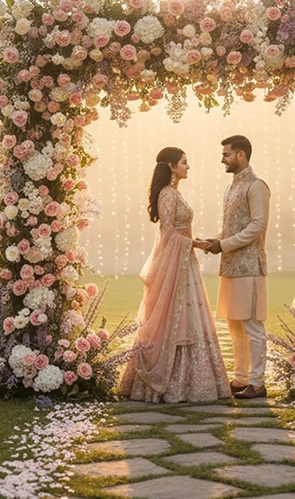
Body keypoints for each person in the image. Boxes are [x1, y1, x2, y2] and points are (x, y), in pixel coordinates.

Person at [119, 147, 232, 403]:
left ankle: (191, 383)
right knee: (176, 318)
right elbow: (168, 232)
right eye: (184, 162)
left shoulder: (175, 193)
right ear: (171, 166)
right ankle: (172, 385)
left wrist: (195, 243)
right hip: (177, 262)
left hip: (184, 262)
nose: (188, 167)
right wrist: (195, 244)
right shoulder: (168, 194)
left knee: (188, 317)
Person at [205, 135, 270, 399]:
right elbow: (233, 225)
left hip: (250, 266)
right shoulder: (232, 186)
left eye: (226, 154)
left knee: (252, 326)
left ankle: (258, 382)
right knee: (234, 326)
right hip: (230, 266)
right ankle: (241, 378)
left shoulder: (256, 186)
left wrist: (225, 244)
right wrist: (216, 241)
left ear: (241, 155)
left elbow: (257, 226)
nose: (223, 159)